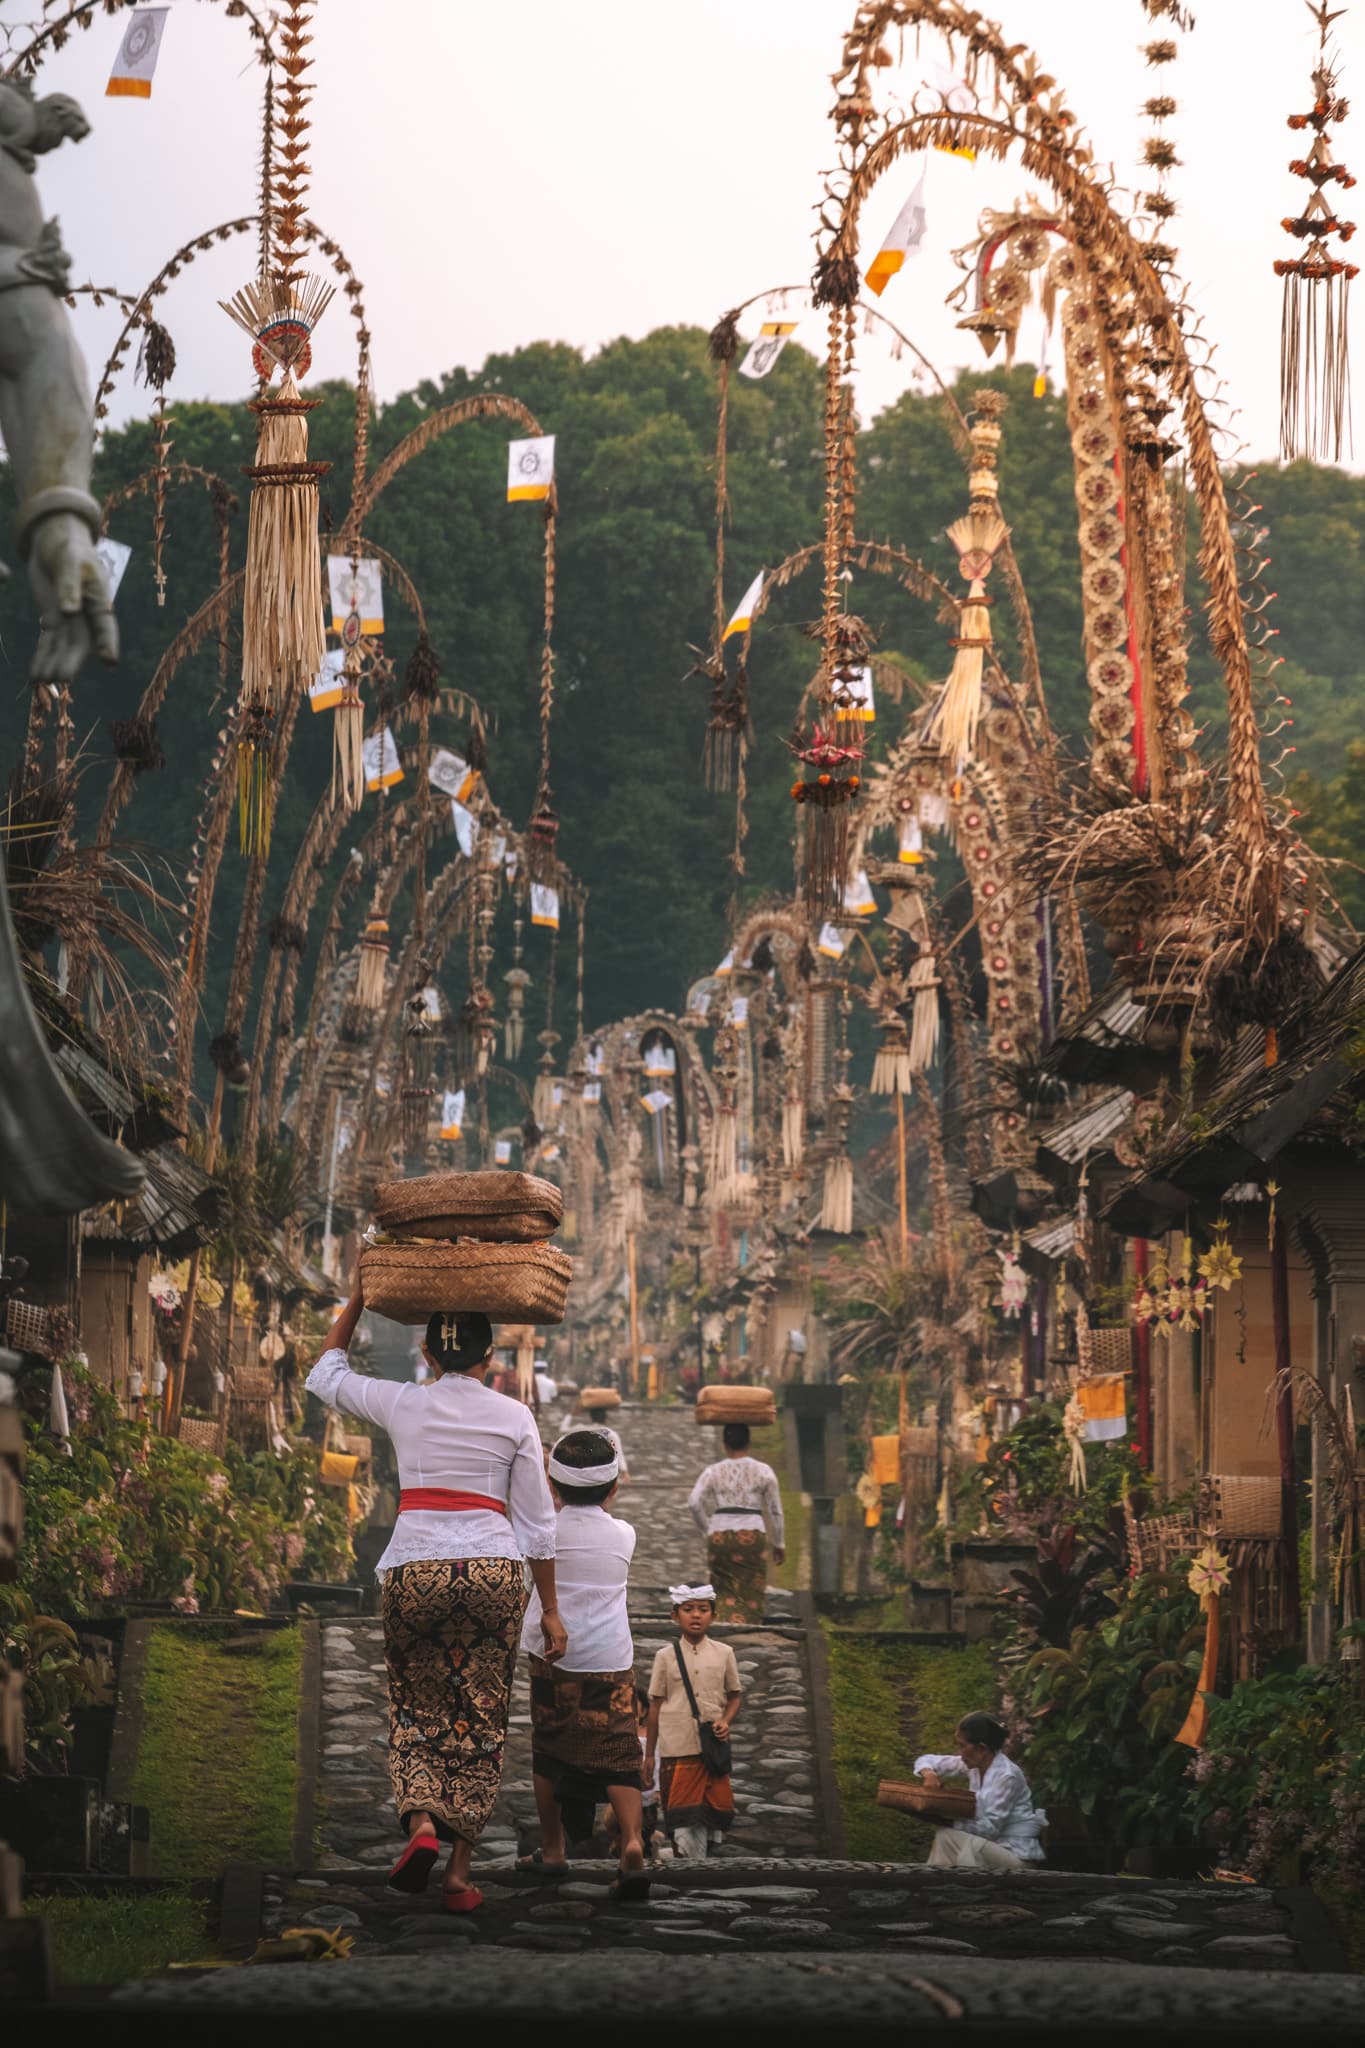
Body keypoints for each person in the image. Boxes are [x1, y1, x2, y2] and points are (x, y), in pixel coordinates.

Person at [306, 1285, 566, 1913]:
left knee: (415, 1705)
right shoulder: (515, 1416)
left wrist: (360, 1298)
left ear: (426, 1354)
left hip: (414, 1569)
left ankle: (421, 1821)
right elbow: (537, 1526)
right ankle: (458, 1872)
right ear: (490, 1356)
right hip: (492, 1574)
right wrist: (552, 1610)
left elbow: (325, 1374)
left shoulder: (404, 1402)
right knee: (480, 1715)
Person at [518, 1429, 650, 1898]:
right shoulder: (624, 1535)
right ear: (612, 1488)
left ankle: (554, 1848)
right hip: (610, 1656)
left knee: (549, 1749)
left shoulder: (541, 1534)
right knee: (619, 1753)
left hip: (554, 1656)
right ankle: (632, 1841)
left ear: (553, 1485)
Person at [646, 1583, 742, 1860]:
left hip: (711, 1748)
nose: (696, 1615)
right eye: (688, 1609)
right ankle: (684, 1862)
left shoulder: (725, 1653)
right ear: (674, 1616)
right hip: (676, 1747)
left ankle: (697, 1864)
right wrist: (650, 1755)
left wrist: (726, 1721)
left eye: (703, 1609)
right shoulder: (664, 1657)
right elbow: (655, 1705)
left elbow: (735, 1696)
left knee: (711, 1813)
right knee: (681, 1815)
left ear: (713, 1616)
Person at [913, 1712, 1046, 1871]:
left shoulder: (1007, 1776)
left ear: (982, 1749)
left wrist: (947, 1821)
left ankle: (955, 1883)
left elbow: (989, 1829)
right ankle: (937, 1882)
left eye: (962, 1746)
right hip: (992, 1847)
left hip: (1016, 1856)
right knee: (945, 1836)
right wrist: (929, 1774)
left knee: (960, 1840)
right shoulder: (975, 1764)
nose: (960, 1752)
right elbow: (926, 1760)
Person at [688, 1422, 784, 1623]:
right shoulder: (764, 1471)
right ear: (748, 1443)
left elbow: (694, 1503)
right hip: (752, 1535)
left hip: (720, 1535)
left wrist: (708, 1530)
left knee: (722, 1586)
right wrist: (779, 1543)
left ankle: (721, 1624)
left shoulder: (713, 1471)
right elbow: (775, 1511)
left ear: (724, 1444)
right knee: (751, 1587)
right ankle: (749, 1625)